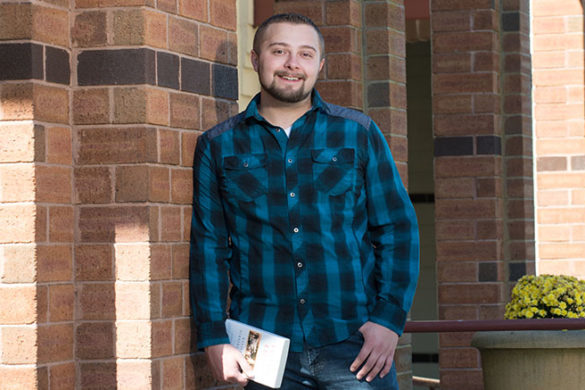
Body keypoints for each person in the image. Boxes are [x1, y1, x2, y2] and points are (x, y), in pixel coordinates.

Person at [189, 13, 419, 389]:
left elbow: (397, 229)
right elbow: (208, 247)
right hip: (262, 349)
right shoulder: (218, 145)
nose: (292, 64)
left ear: (320, 66)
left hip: (355, 345)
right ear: (256, 59)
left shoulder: (357, 133)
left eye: (305, 54)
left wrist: (388, 322)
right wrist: (213, 336)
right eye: (279, 51)